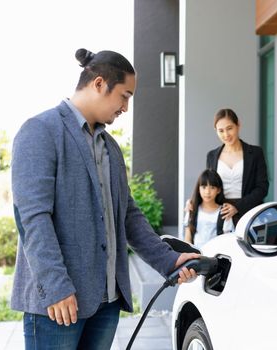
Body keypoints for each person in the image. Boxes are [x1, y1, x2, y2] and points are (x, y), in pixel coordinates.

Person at [11, 48, 199, 350]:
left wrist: (169, 259)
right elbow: (32, 218)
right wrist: (57, 286)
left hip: (106, 302)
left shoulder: (110, 147)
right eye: (124, 96)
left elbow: (127, 214)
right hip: (59, 303)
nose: (125, 107)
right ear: (99, 84)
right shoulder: (40, 131)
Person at [205, 108, 269, 225]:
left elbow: (262, 188)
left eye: (229, 128)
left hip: (250, 213)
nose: (226, 135)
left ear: (238, 125)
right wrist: (193, 202)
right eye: (221, 131)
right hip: (222, 214)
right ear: (216, 131)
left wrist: (237, 207)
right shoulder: (212, 156)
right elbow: (208, 186)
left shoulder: (255, 153)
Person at [184, 169, 234, 249]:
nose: (207, 192)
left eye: (212, 188)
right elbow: (187, 237)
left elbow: (227, 239)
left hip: (216, 255)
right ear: (198, 189)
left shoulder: (224, 212)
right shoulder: (192, 209)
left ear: (218, 190)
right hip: (195, 255)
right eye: (204, 187)